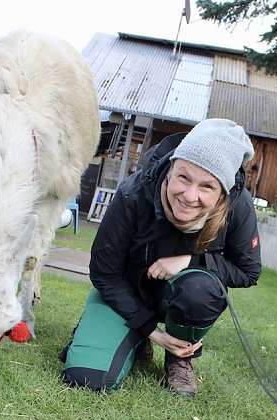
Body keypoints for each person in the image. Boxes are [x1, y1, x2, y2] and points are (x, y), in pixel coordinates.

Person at [76, 118, 261, 397]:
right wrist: (150, 330)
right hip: (124, 293)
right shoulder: (133, 193)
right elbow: (104, 273)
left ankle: (180, 354)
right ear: (171, 168)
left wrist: (191, 261)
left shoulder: (238, 206)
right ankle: (132, 337)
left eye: (206, 187)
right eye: (184, 177)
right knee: (87, 378)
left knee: (202, 289)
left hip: (181, 295)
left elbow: (248, 272)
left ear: (222, 192)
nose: (189, 195)